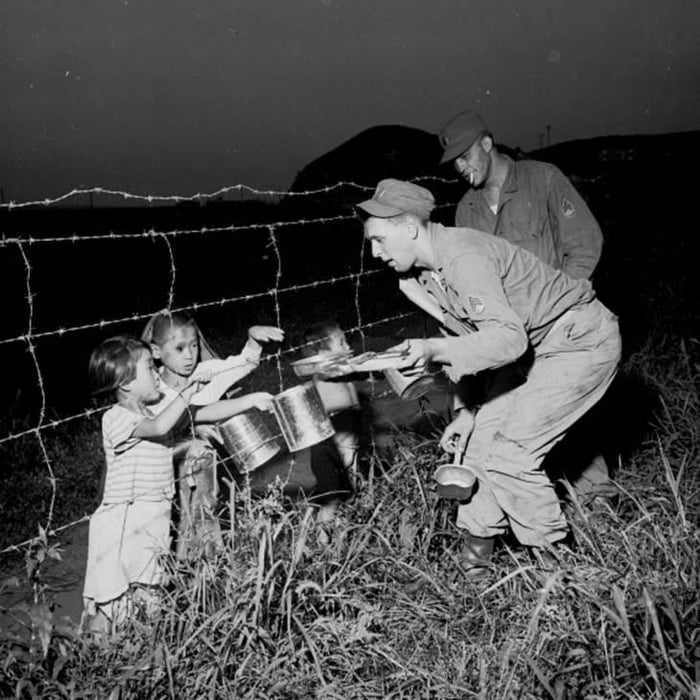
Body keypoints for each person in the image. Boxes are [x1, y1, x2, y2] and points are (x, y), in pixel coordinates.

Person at [356, 179, 621, 576]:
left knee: (511, 455)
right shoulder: (424, 277)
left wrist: (432, 351)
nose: (375, 253)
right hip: (533, 352)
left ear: (409, 228)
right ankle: (475, 569)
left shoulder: (464, 256)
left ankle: (562, 576)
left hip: (579, 341)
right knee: (477, 448)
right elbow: (468, 341)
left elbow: (508, 340)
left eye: (378, 240)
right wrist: (465, 412)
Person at [439, 109, 613, 498]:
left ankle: (600, 514)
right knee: (517, 433)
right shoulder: (466, 210)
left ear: (487, 143)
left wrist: (560, 309)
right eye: (454, 163)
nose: (460, 167)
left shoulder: (543, 179)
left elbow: (585, 246)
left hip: (558, 330)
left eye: (465, 155)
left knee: (574, 422)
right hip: (508, 342)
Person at [83, 336, 273, 634]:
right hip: (122, 524)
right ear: (126, 383)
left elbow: (190, 421)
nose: (158, 373)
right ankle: (93, 660)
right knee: (111, 601)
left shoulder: (154, 411)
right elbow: (160, 428)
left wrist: (248, 401)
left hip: (152, 518)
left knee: (150, 595)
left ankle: (141, 655)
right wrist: (185, 394)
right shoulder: (116, 418)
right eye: (149, 367)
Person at [141, 310, 284, 556]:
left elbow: (242, 364)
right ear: (156, 352)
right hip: (160, 477)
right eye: (179, 348)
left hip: (201, 472)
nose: (189, 355)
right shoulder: (151, 387)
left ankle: (205, 563)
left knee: (203, 514)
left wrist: (253, 341)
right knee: (166, 527)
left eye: (194, 346)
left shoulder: (204, 372)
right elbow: (191, 413)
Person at [301, 320, 361, 520]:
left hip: (347, 442)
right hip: (326, 447)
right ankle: (321, 540)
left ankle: (338, 532)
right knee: (331, 499)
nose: (349, 347)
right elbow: (327, 370)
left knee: (349, 494)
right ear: (323, 355)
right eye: (342, 343)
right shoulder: (325, 373)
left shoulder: (344, 372)